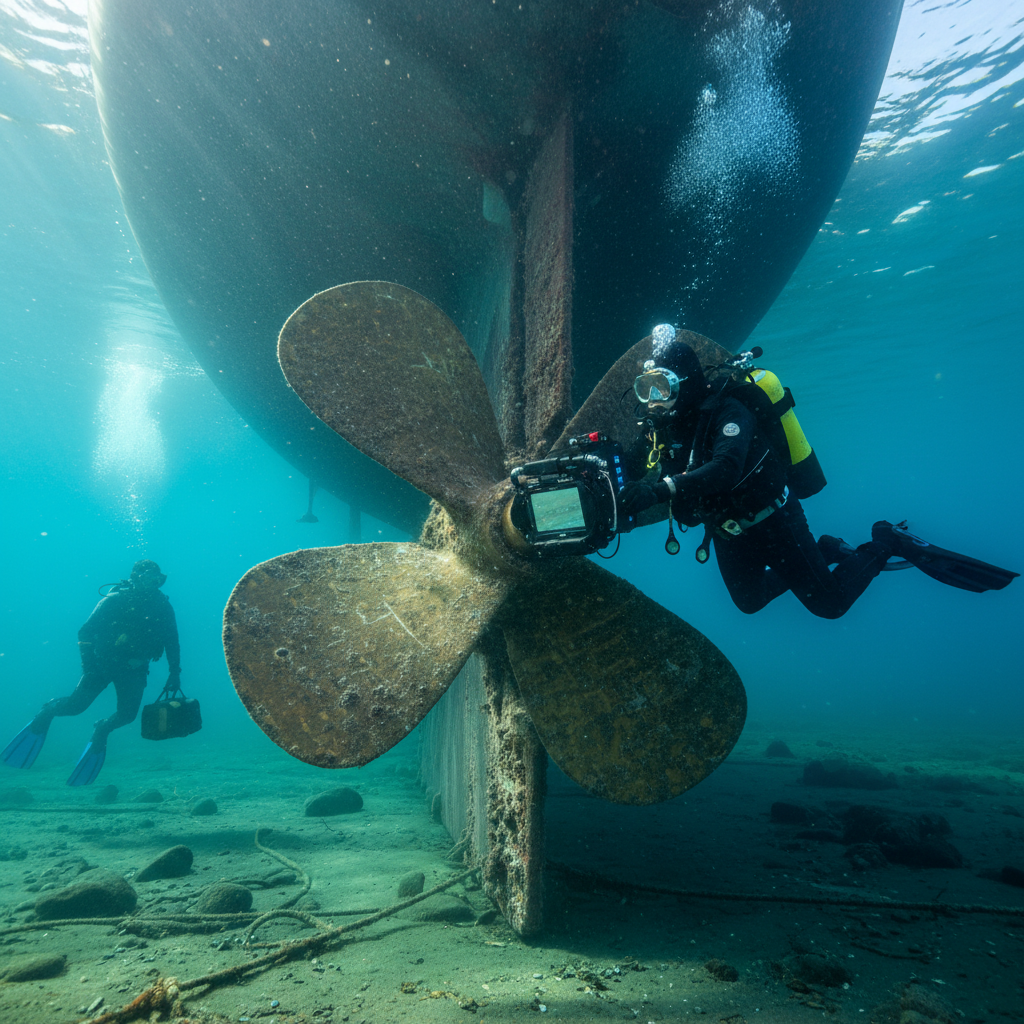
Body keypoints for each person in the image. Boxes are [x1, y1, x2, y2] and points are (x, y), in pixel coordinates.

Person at [619, 330, 1017, 617]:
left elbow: (725, 468)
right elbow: (669, 483)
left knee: (830, 605)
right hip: (728, 530)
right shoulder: (668, 427)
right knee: (750, 600)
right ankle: (826, 551)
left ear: (684, 381)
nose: (655, 400)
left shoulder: (730, 409)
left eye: (662, 387)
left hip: (775, 521)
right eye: (646, 389)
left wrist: (660, 490)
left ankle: (885, 541)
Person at [1, 559, 182, 786]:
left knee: (127, 716)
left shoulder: (163, 606)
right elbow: (85, 632)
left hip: (135, 669)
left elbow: (172, 641)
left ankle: (102, 729)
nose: (150, 584)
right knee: (75, 707)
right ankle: (47, 711)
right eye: (146, 578)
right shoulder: (115, 600)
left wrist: (175, 673)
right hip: (101, 665)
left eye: (156, 580)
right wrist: (89, 666)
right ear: (135, 578)